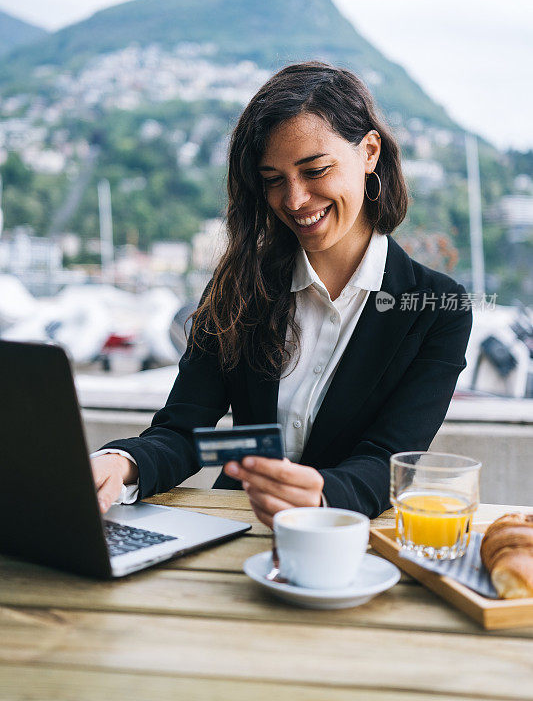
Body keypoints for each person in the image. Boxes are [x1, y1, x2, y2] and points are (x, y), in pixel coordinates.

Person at [91, 61, 472, 529]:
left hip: (348, 545)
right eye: (274, 179)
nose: (294, 200)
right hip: (234, 531)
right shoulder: (238, 289)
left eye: (315, 170)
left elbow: (388, 462)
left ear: (369, 152)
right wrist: (119, 464)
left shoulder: (438, 309)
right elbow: (185, 433)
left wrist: (324, 495)